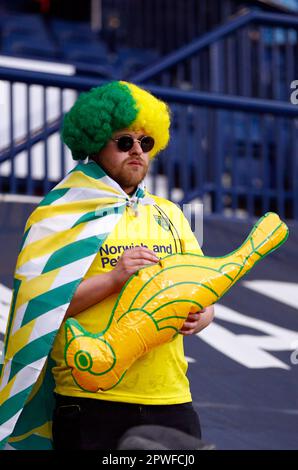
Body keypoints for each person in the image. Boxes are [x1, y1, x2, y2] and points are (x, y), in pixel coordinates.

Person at [0, 81, 214, 450]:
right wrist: (115, 278)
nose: (137, 151)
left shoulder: (172, 214)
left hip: (171, 397)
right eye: (124, 141)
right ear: (96, 142)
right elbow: (38, 308)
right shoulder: (60, 213)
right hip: (91, 400)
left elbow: (202, 290)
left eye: (145, 143)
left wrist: (204, 313)